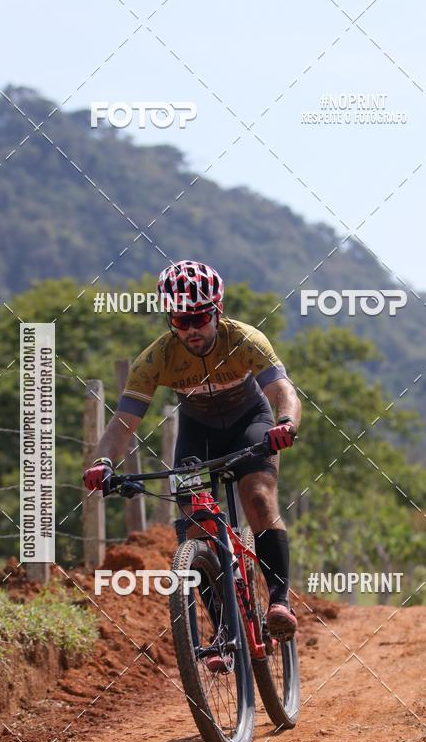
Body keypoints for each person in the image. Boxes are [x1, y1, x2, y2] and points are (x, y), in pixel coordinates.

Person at [83, 260, 301, 639]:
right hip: (197, 434)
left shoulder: (245, 340)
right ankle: (222, 632)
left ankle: (279, 601)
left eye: (199, 318)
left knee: (259, 498)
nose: (191, 330)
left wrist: (285, 423)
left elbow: (284, 391)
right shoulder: (156, 359)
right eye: (180, 321)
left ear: (218, 310)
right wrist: (102, 461)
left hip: (250, 424)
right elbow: (123, 422)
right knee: (195, 528)